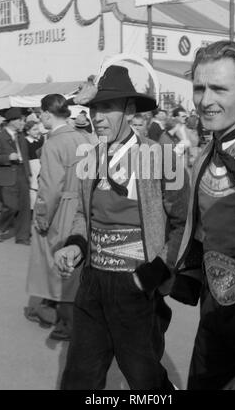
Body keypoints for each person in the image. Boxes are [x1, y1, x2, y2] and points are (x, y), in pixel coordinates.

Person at [54, 65, 189, 390]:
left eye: (107, 108)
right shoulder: (90, 157)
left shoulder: (162, 157)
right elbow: (84, 218)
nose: (97, 117)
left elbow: (185, 223)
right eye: (93, 108)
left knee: (145, 379)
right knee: (79, 376)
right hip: (92, 284)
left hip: (137, 284)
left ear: (129, 110)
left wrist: (156, 273)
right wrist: (75, 244)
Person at [171, 40, 235, 390]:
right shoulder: (205, 154)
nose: (204, 99)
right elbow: (200, 230)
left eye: (218, 88)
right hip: (214, 309)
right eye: (199, 87)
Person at [26, 94, 87, 340]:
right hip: (81, 206)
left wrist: (41, 217)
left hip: (61, 207)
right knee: (74, 262)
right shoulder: (84, 137)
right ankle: (58, 313)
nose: (40, 118)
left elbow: (50, 187)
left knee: (56, 263)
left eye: (41, 114)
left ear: (48, 114)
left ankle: (64, 322)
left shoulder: (53, 143)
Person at [0, 108, 31, 244]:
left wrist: (28, 173)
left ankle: (22, 237)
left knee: (25, 207)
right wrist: (8, 157)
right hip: (7, 174)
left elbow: (25, 157)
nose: (22, 122)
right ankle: (0, 226)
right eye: (20, 120)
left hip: (22, 173)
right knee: (12, 206)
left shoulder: (21, 137)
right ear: (12, 121)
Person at [24, 120, 44, 210]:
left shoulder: (40, 141)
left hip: (40, 167)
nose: (37, 131)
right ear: (28, 131)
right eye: (34, 129)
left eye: (37, 129)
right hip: (32, 168)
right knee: (33, 192)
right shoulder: (25, 142)